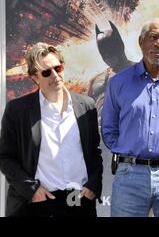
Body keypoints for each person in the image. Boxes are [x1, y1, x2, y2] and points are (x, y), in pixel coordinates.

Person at [101, 17, 159, 217]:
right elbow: (109, 129)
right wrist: (128, 151)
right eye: (153, 37)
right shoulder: (118, 83)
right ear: (141, 42)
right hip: (130, 177)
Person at [0, 42, 102, 217]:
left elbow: (94, 152)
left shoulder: (86, 105)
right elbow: (5, 157)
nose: (55, 75)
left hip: (77, 199)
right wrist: (31, 189)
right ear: (34, 77)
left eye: (58, 68)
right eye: (47, 72)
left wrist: (93, 186)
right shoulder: (18, 110)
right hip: (40, 201)